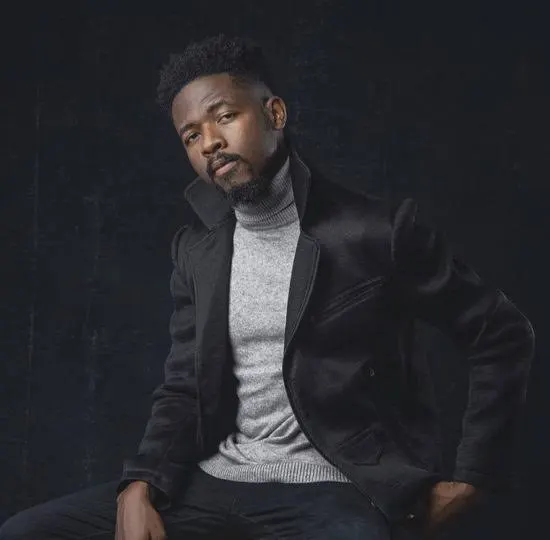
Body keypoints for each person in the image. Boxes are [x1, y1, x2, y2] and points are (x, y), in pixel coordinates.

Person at [0, 34, 534, 540]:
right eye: (191, 136)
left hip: (333, 488)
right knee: (25, 532)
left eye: (224, 116)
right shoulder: (198, 252)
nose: (210, 142)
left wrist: (475, 479)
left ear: (274, 114)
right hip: (218, 478)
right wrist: (140, 484)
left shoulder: (376, 233)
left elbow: (501, 333)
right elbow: (184, 389)